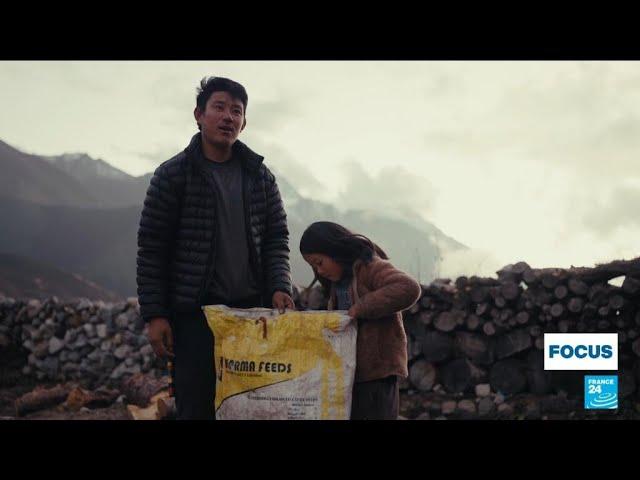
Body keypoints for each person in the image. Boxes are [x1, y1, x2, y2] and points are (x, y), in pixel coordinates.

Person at [136, 76, 295, 419]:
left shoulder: (260, 177)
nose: (228, 117)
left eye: (236, 111)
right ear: (199, 115)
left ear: (244, 123)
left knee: (251, 406)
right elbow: (152, 248)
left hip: (251, 313)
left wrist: (280, 285)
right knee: (197, 406)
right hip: (195, 317)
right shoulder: (173, 175)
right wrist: (156, 314)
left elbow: (276, 238)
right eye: (219, 107)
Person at [300, 221, 421, 420]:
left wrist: (362, 307)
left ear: (334, 250)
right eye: (314, 267)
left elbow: (408, 287)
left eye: (319, 263)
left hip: (377, 374)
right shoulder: (337, 283)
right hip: (351, 374)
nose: (319, 271)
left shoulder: (369, 267)